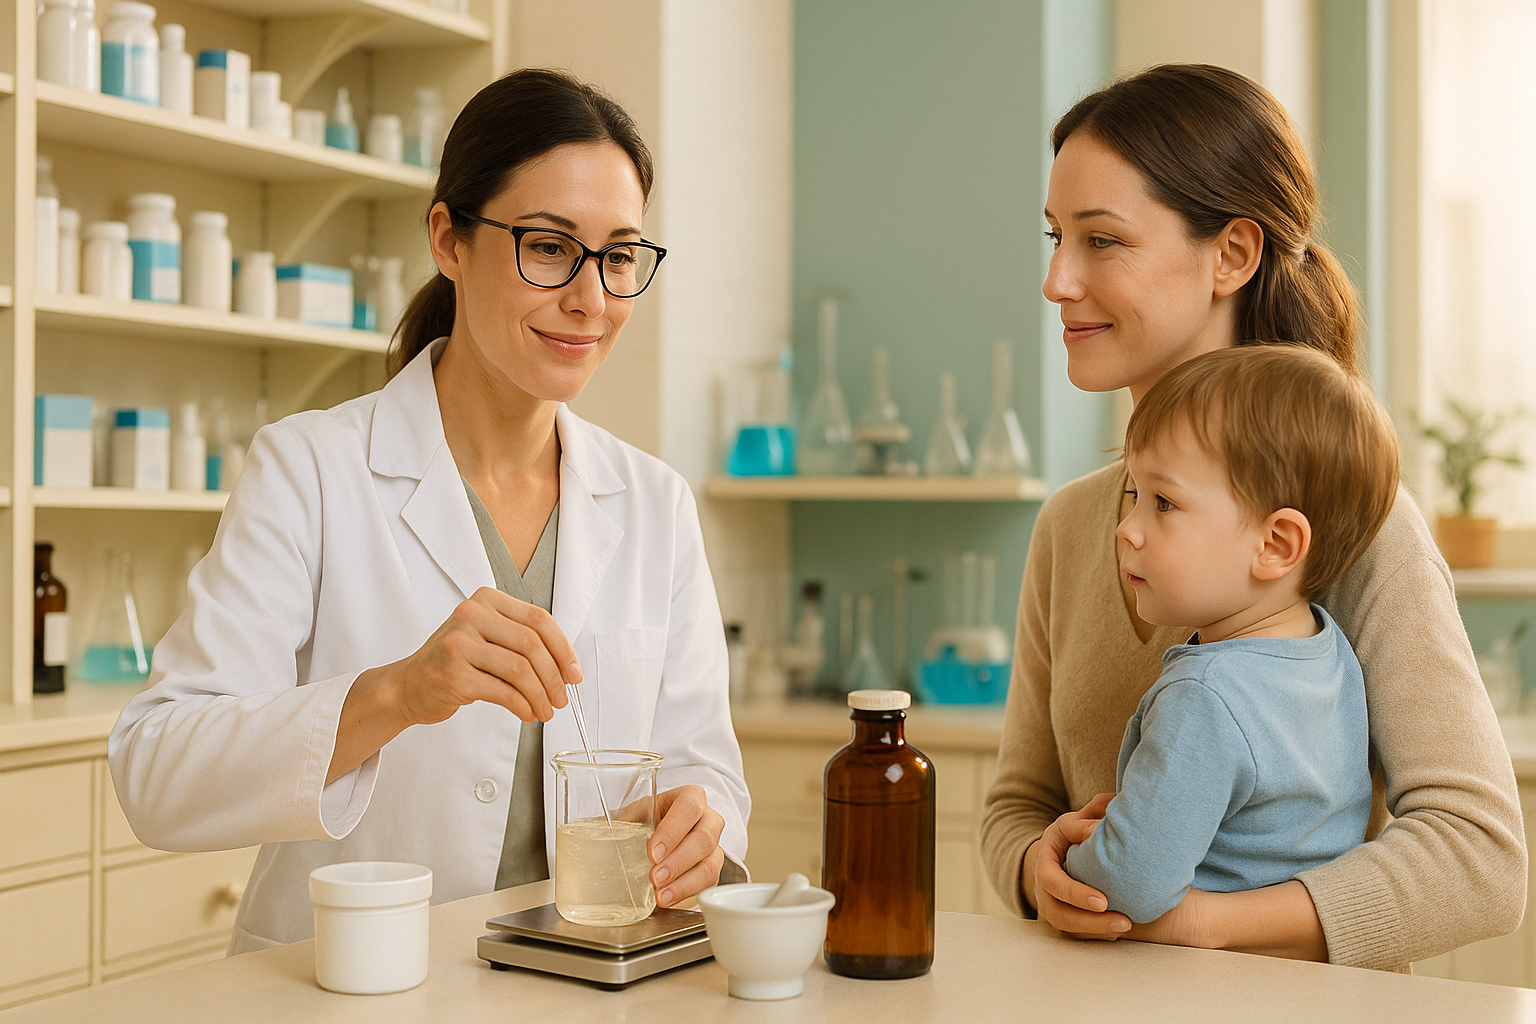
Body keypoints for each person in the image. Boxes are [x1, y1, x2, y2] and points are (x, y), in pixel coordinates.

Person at [108, 68, 751, 953]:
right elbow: (156, 771)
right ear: (449, 238)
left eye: (620, 255)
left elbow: (702, 768)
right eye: (551, 247)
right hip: (346, 990)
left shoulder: (654, 504)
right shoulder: (312, 469)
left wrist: (700, 830)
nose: (592, 299)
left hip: (582, 986)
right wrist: (396, 694)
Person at [979, 63, 1525, 971]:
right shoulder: (1072, 526)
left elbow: (1480, 861)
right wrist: (1043, 876)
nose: (1056, 280)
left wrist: (1205, 922)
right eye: (1054, 237)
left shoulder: (1356, 523)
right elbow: (1013, 809)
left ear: (1234, 253)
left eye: (1102, 241)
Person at [1062, 345, 1397, 923]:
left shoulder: (1204, 698)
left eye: (1163, 503)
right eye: (1135, 495)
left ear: (1275, 545)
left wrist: (1069, 858)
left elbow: (1128, 886)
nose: (1126, 529)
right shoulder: (1329, 652)